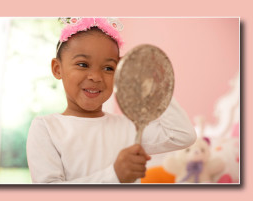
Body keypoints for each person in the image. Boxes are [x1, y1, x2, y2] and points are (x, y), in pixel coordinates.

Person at [26, 17, 196, 184]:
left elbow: (182, 135)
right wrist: (114, 176)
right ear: (57, 69)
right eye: (83, 64)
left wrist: (152, 86)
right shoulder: (46, 128)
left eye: (109, 68)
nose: (96, 77)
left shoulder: (130, 127)